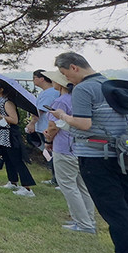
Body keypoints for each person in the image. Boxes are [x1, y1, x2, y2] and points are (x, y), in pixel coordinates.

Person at [51, 52, 128, 253]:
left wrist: (63, 115)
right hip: (121, 154)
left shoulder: (83, 89)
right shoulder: (110, 84)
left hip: (95, 156)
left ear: (74, 67)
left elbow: (83, 123)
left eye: (65, 74)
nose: (67, 80)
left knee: (115, 211)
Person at [42, 69, 96, 234]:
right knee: (82, 186)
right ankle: (88, 219)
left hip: (64, 147)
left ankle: (83, 223)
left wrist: (48, 141)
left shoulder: (60, 101)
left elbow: (53, 126)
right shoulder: (79, 99)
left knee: (68, 185)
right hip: (80, 147)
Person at [0, 76, 36, 197]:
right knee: (7, 158)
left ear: (1, 89)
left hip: (9, 134)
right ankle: (12, 181)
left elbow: (14, 120)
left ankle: (27, 187)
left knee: (16, 159)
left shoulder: (7, 102)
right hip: (0, 133)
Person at [27, 70, 60, 185]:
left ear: (42, 78)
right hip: (44, 127)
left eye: (34, 77)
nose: (33, 80)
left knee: (51, 154)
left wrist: (31, 123)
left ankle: (57, 180)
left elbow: (40, 111)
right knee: (50, 154)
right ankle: (54, 178)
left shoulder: (50, 93)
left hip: (47, 128)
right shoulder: (47, 92)